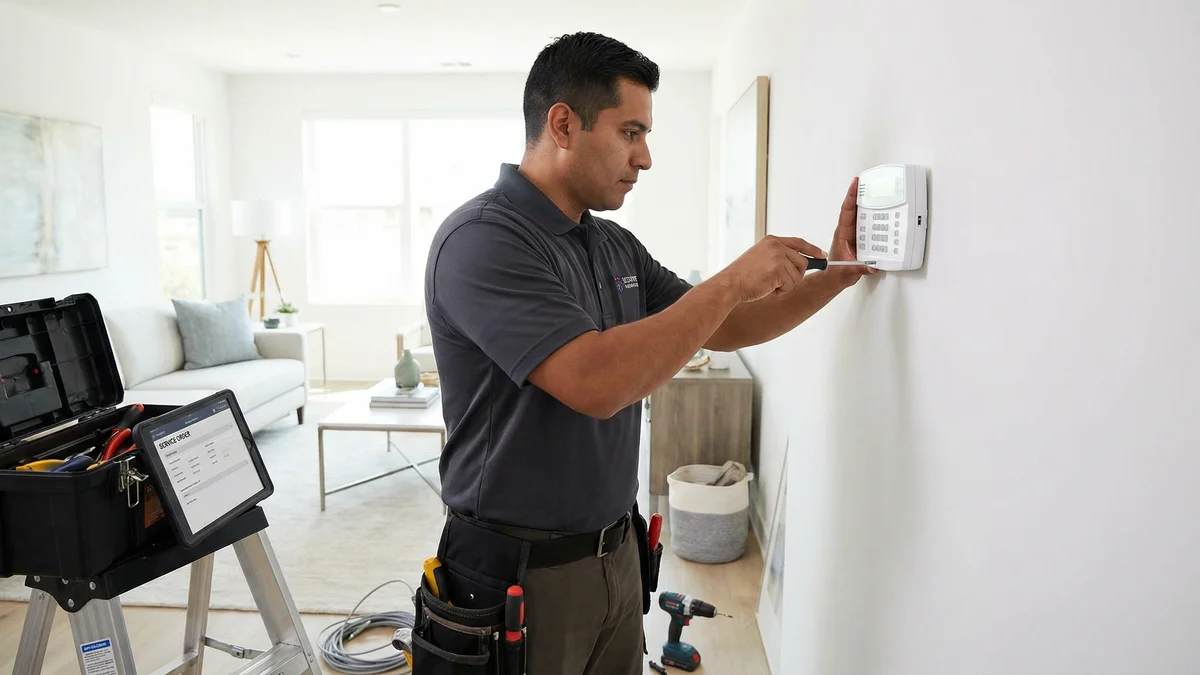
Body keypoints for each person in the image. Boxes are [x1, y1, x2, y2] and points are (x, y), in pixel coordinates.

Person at [420, 31, 876, 675]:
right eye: (631, 132)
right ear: (563, 125)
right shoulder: (482, 241)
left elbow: (725, 323)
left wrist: (836, 272)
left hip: (616, 555)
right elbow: (596, 380)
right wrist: (731, 278)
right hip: (518, 573)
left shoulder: (612, 245)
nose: (646, 158)